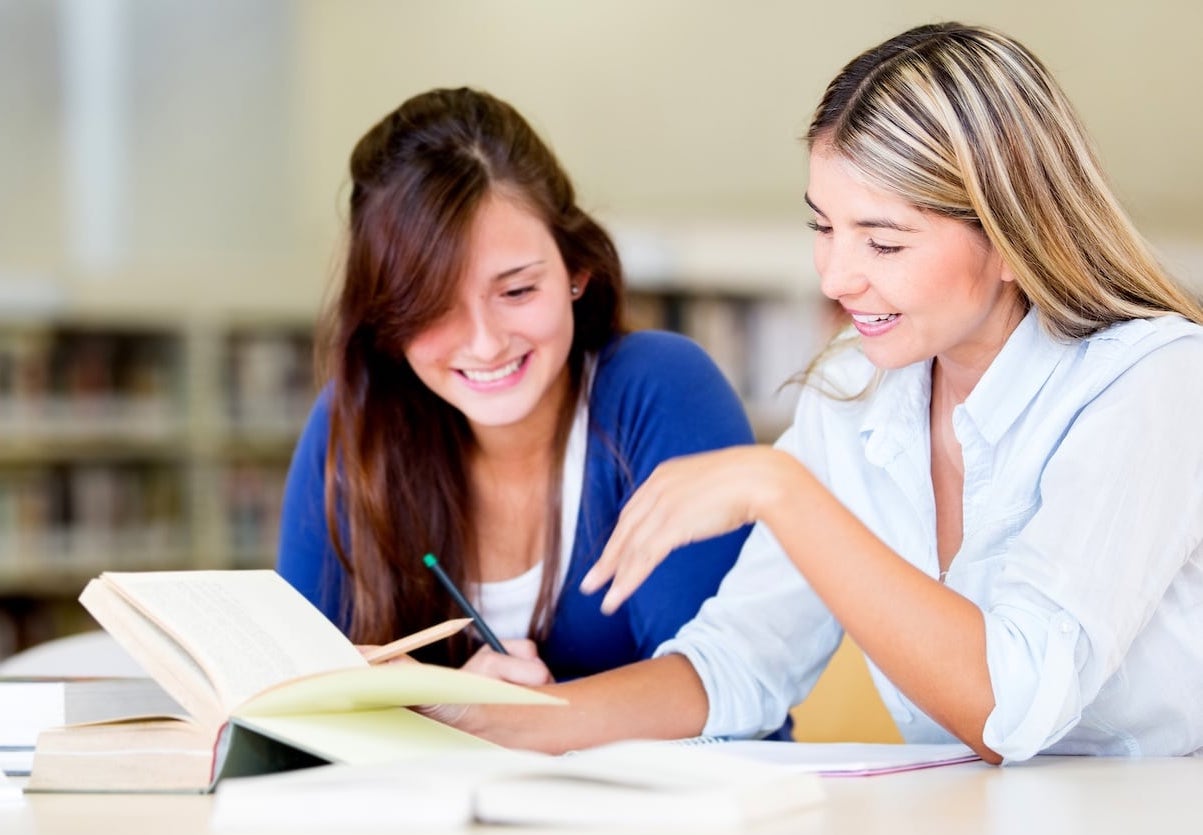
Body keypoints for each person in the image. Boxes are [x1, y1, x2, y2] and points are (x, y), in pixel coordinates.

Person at [428, 23, 1203, 761]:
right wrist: (496, 721)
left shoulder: (1151, 381)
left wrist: (781, 490)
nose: (835, 278)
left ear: (1011, 239)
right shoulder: (855, 383)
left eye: (882, 242)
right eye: (823, 228)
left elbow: (1012, 707)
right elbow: (739, 665)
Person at [276, 87, 757, 691]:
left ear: (577, 270)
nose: (484, 344)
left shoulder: (660, 390)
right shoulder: (354, 425)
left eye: (517, 291)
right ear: (385, 318)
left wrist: (513, 721)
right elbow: (300, 691)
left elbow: (723, 692)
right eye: (432, 307)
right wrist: (457, 704)